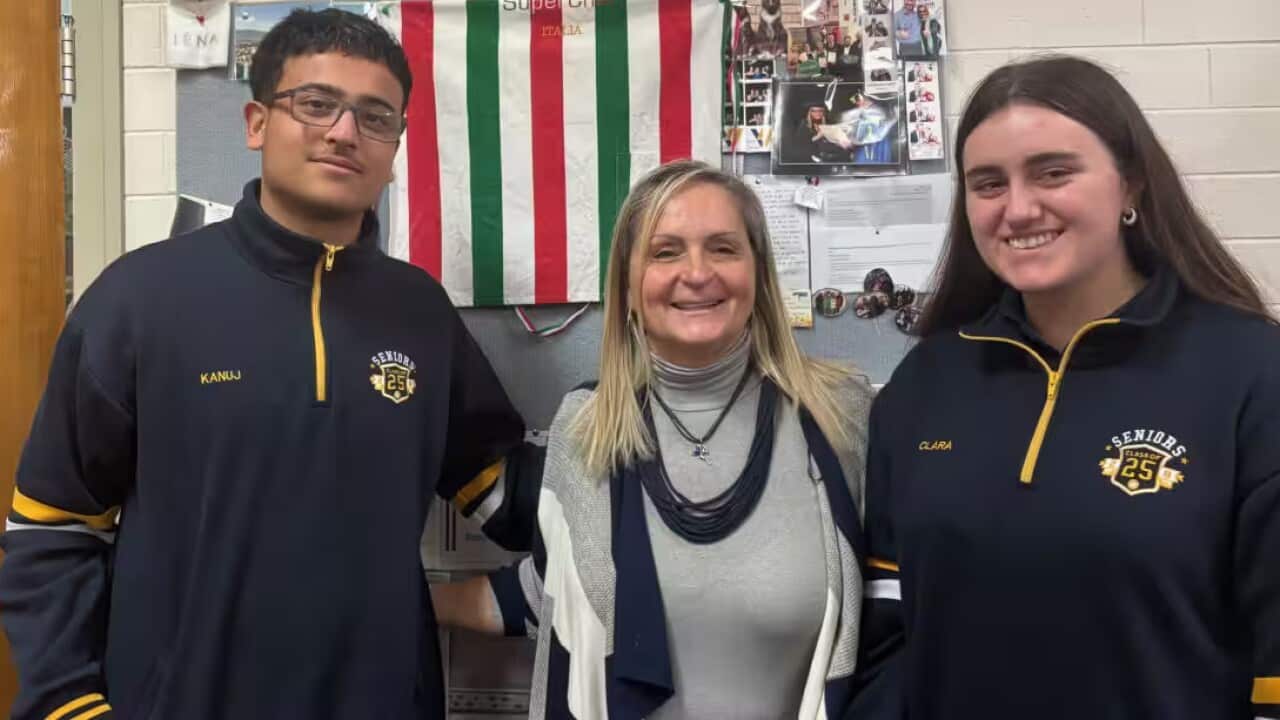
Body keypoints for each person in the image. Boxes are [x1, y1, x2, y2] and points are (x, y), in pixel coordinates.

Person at [0, 9, 540, 719]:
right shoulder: (139, 299)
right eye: (316, 105)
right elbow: (53, 530)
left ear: (395, 145)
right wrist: (66, 705)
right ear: (257, 123)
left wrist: (639, 441)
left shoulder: (420, 314)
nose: (345, 132)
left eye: (376, 117)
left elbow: (511, 495)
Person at [857, 55, 1280, 719]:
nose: (1019, 208)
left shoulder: (1250, 372)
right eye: (988, 183)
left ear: (1131, 184)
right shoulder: (925, 385)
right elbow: (883, 627)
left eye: (1054, 172)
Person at [432, 160, 875, 719]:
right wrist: (409, 603)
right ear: (630, 288)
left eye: (723, 248)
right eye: (666, 252)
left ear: (758, 275)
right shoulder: (588, 427)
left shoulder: (840, 415)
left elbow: (898, 619)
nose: (697, 272)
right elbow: (559, 595)